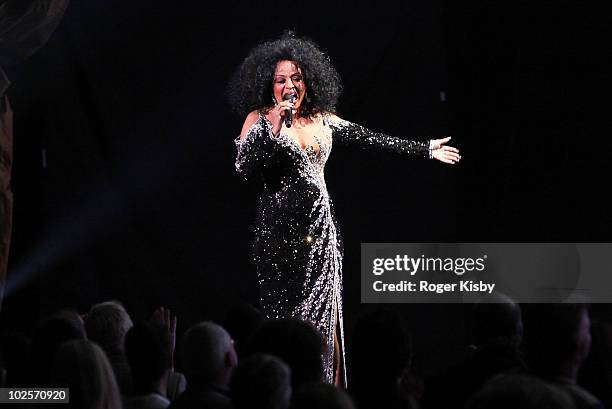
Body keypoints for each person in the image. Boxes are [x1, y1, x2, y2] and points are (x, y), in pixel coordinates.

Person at [228, 32, 461, 386]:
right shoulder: (259, 118)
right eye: (280, 80)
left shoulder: (322, 119)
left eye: (296, 78)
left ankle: (325, 390)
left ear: (308, 80)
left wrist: (425, 149)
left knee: (324, 323)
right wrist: (274, 125)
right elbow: (244, 166)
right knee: (285, 323)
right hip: (279, 239)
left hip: (321, 236)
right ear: (269, 85)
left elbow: (372, 138)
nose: (289, 85)